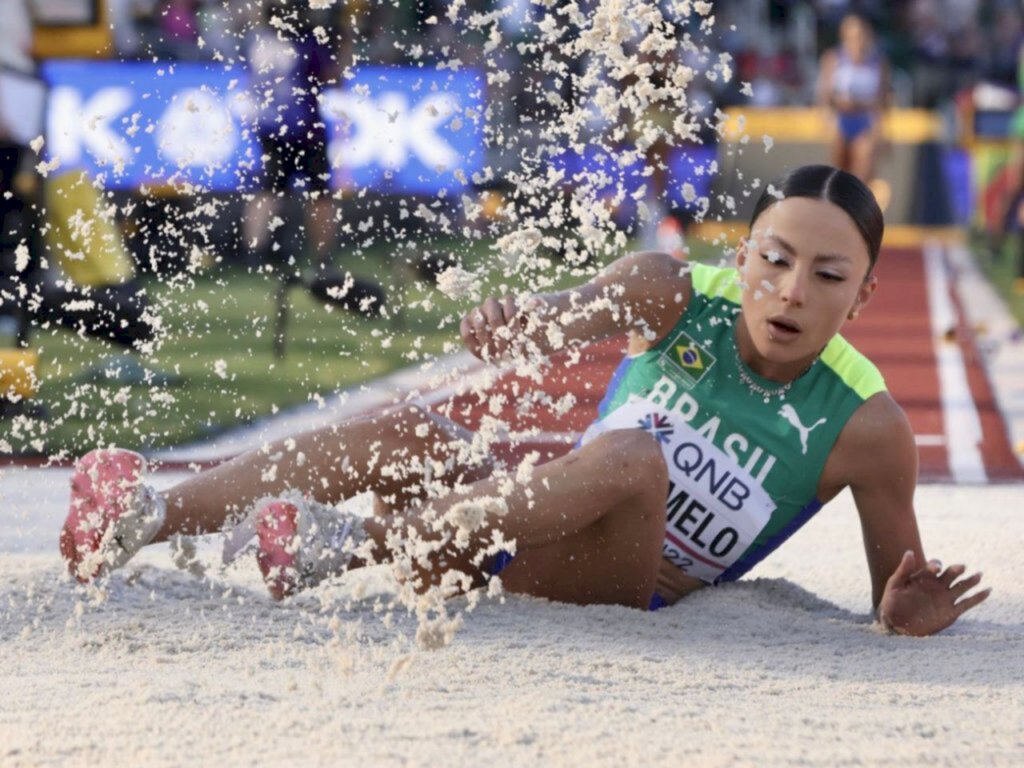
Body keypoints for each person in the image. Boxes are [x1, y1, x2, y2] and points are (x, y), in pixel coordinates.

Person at [60, 165, 989, 637]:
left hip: (617, 588)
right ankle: (147, 512)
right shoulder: (667, 289)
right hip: (500, 530)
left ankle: (355, 545)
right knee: (407, 428)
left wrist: (900, 616)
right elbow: (551, 319)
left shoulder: (868, 428)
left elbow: (890, 597)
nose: (789, 293)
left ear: (863, 297)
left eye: (826, 276)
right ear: (741, 257)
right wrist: (515, 321)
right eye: (774, 261)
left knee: (636, 459)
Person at [816, 14, 890, 186]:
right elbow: (826, 94)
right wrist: (828, 119)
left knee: (861, 173)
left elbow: (883, 98)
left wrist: (883, 129)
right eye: (851, 37)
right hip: (841, 118)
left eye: (860, 36)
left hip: (865, 120)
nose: (857, 41)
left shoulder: (878, 62)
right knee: (838, 175)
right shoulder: (834, 59)